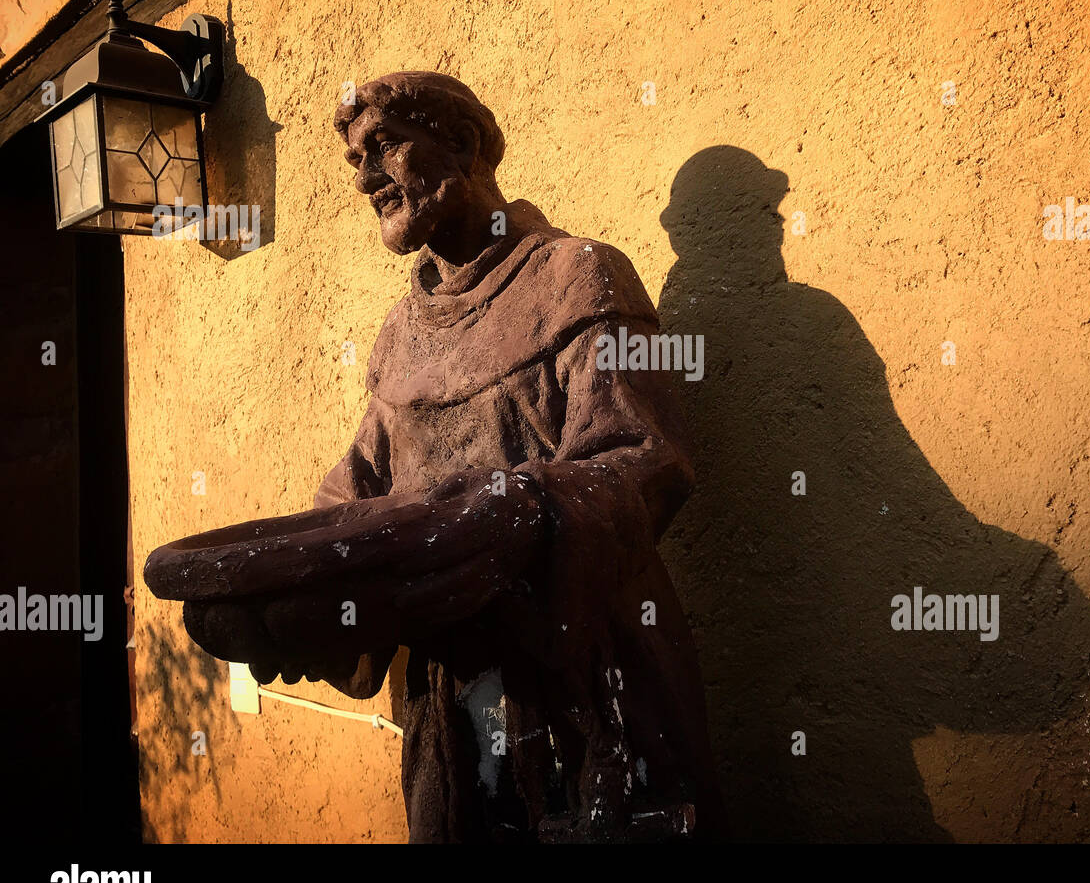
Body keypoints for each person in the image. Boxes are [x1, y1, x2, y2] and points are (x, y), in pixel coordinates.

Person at [163, 73, 722, 843]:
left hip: (592, 682)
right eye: (356, 160)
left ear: (459, 143)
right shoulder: (401, 334)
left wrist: (524, 511)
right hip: (452, 703)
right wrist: (306, 600)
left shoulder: (577, 275)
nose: (365, 179)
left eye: (384, 146)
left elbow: (645, 457)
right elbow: (354, 496)